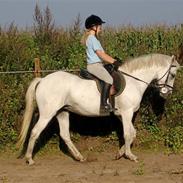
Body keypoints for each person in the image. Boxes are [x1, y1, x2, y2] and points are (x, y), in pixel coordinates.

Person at [81, 14, 120, 112]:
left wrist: (112, 61)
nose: (101, 29)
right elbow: (101, 54)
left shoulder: (91, 38)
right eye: (100, 26)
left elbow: (102, 55)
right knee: (109, 80)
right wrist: (114, 61)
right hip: (95, 66)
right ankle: (103, 105)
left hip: (96, 65)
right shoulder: (93, 39)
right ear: (94, 27)